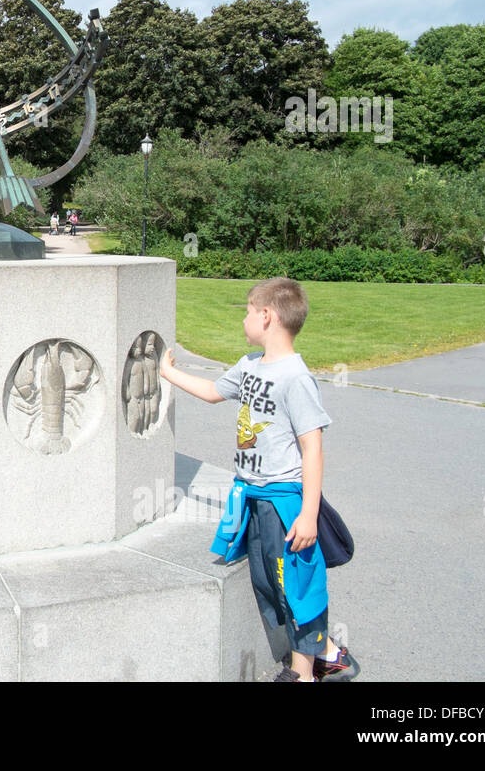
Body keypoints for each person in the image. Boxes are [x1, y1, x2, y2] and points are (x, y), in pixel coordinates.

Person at [158, 277, 359, 682]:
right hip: (252, 494)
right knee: (268, 583)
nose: (245, 320)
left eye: (248, 312)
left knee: (296, 587)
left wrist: (308, 513)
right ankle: (332, 656)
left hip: (283, 500)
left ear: (267, 316)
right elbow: (215, 391)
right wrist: (167, 373)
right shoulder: (250, 365)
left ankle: (303, 674)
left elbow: (312, 448)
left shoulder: (296, 378)